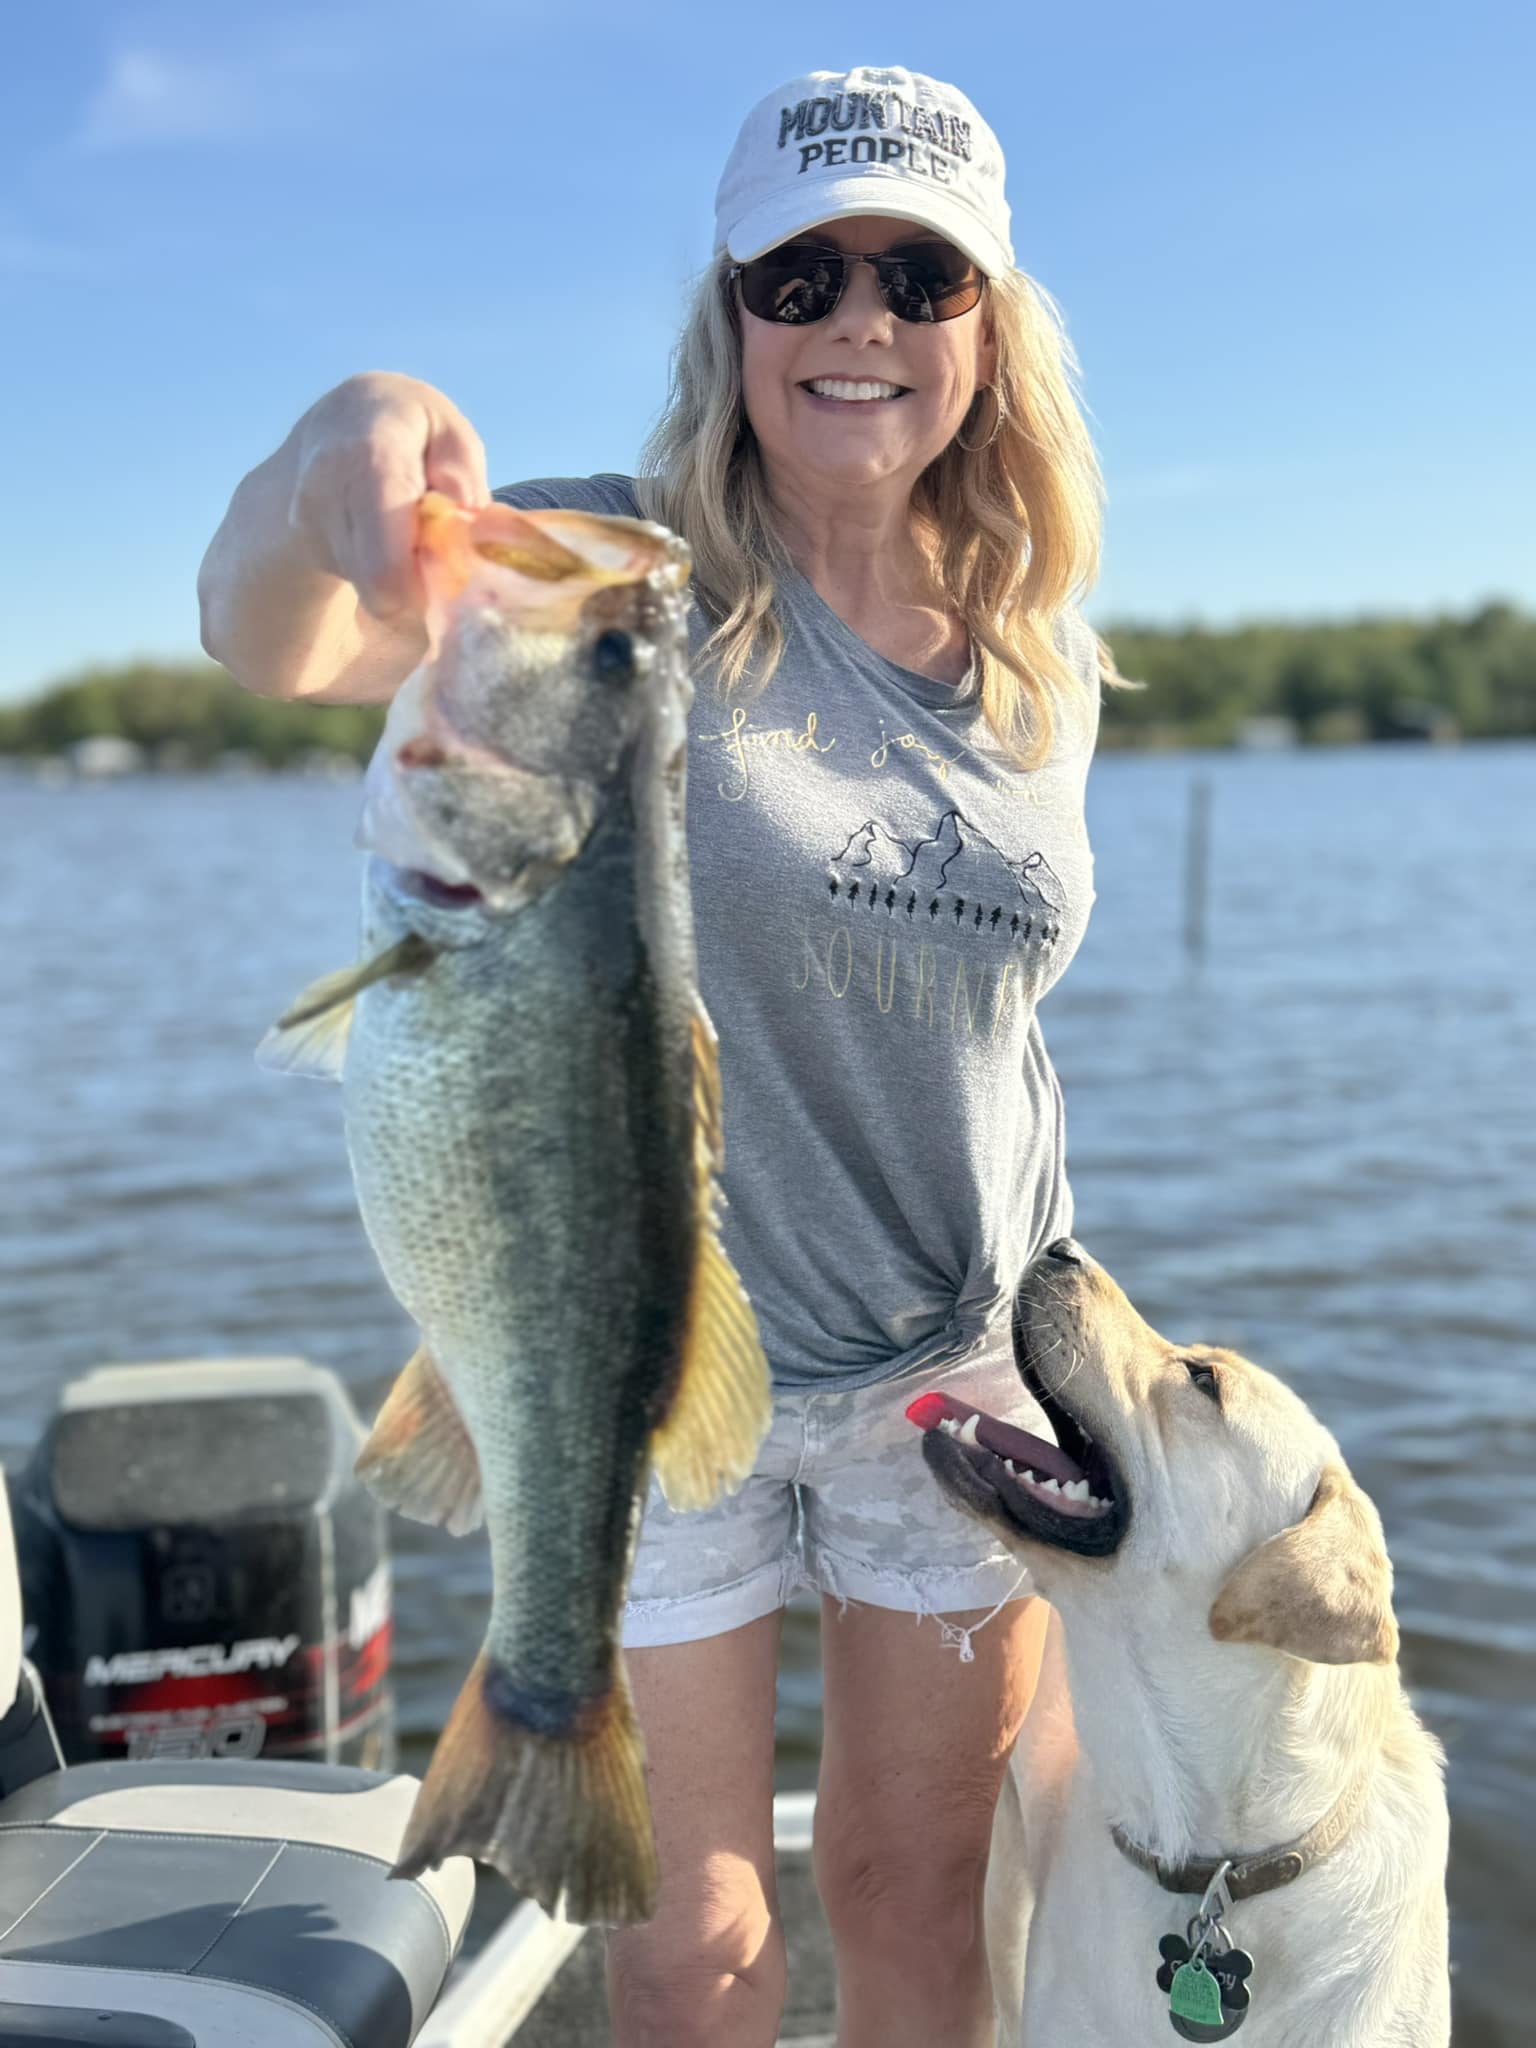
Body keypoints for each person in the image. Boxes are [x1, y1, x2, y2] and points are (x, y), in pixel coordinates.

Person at [200, 63, 1106, 2048]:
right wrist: (330, 451)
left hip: (958, 1372)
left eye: (919, 277)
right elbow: (269, 637)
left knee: (921, 1905)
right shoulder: (608, 576)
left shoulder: (1039, 653)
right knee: (688, 1952)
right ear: (732, 313)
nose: (860, 319)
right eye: (800, 275)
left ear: (987, 325)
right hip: (645, 1342)